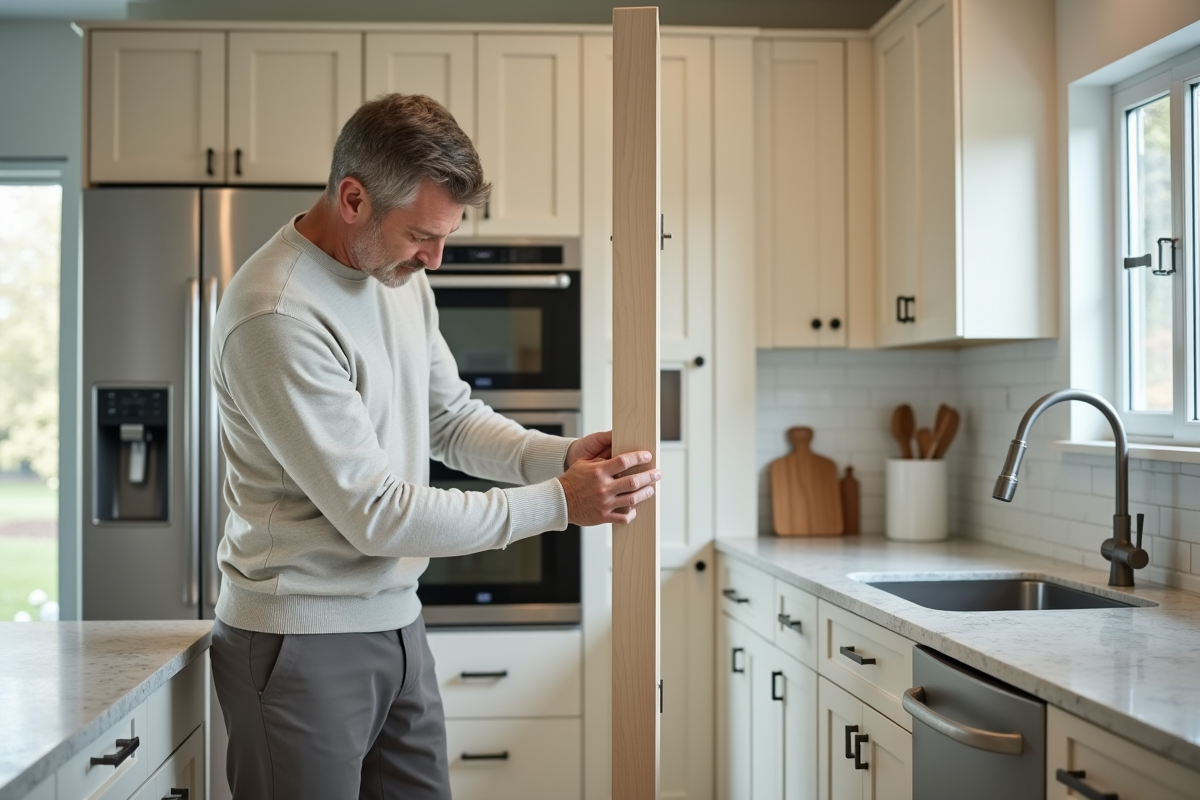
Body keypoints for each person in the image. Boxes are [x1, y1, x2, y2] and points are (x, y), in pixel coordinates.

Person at [208, 93, 660, 800]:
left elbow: (451, 420)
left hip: (398, 623)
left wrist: (561, 456)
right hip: (301, 639)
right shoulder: (278, 312)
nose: (437, 258)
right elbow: (377, 515)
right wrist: (557, 505)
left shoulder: (397, 278)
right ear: (353, 198)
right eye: (422, 234)